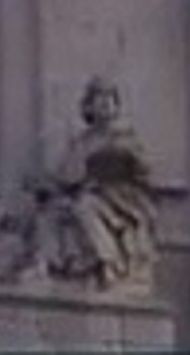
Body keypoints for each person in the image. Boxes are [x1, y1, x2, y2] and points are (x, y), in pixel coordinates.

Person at [55, 77, 157, 289]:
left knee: (85, 205)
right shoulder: (82, 141)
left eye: (110, 98)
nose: (104, 103)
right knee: (80, 206)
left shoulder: (126, 136)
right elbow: (67, 176)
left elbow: (145, 170)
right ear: (89, 106)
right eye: (99, 97)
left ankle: (111, 265)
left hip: (125, 198)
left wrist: (125, 155)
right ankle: (103, 262)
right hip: (95, 195)